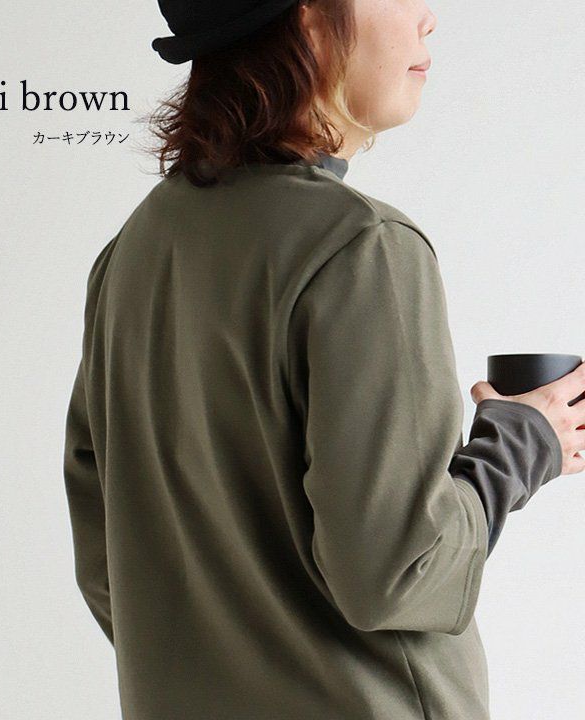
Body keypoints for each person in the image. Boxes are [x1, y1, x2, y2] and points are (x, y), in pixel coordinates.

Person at [63, 1, 585, 718]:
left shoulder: (133, 251)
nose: (427, 18)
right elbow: (401, 569)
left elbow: (110, 564)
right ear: (308, 18)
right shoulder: (361, 247)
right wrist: (523, 443)